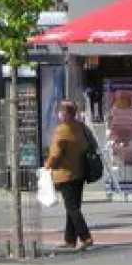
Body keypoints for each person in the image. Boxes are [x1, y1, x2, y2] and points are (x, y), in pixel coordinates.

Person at [44, 100, 93, 251]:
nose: (59, 114)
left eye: (61, 112)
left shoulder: (62, 130)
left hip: (65, 174)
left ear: (66, 114)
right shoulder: (81, 127)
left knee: (72, 208)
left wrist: (46, 167)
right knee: (73, 206)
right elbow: (92, 144)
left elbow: (55, 154)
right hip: (80, 172)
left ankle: (85, 237)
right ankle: (70, 239)